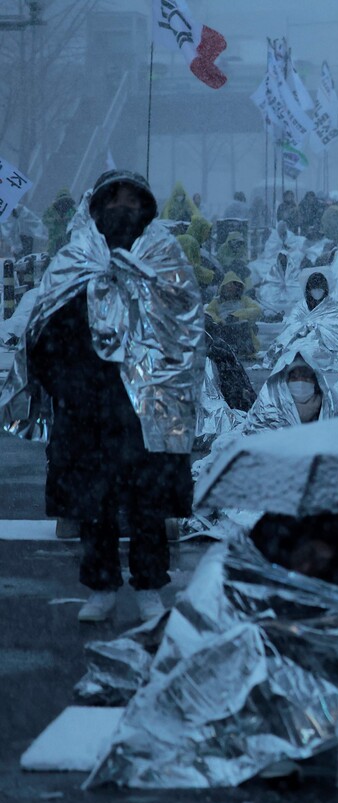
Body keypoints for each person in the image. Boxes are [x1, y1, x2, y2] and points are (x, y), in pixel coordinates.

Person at [1, 170, 204, 623]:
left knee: (147, 503)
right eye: (115, 201)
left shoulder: (163, 257)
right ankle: (101, 586)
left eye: (132, 201)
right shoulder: (74, 259)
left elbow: (185, 324)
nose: (123, 210)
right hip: (88, 405)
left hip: (147, 408)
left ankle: (149, 587)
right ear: (98, 208)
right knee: (95, 503)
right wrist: (67, 383)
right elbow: (45, 325)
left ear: (145, 207)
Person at [204, 272, 262, 358]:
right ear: (224, 287)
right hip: (224, 328)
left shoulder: (244, 300)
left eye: (235, 286)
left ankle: (246, 351)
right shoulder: (216, 301)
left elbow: (257, 309)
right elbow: (209, 312)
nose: (233, 288)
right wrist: (218, 321)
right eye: (230, 286)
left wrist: (236, 316)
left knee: (243, 326)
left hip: (241, 328)